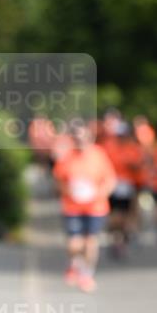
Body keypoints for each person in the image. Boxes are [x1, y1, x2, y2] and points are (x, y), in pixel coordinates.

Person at [52, 119, 117, 292]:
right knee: (75, 244)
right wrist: (68, 191)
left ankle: (87, 274)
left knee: (90, 242)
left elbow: (110, 180)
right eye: (77, 138)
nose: (80, 141)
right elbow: (58, 180)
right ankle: (75, 263)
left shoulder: (99, 154)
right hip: (72, 207)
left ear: (89, 137)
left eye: (83, 137)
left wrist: (99, 193)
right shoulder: (66, 158)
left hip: (96, 207)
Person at [102, 121, 147, 258]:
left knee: (128, 216)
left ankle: (125, 238)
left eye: (123, 135)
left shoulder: (134, 148)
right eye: (119, 135)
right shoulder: (108, 147)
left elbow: (140, 167)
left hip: (130, 187)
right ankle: (116, 240)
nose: (121, 137)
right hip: (113, 187)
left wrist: (134, 167)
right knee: (115, 217)